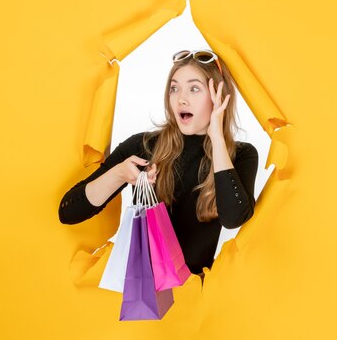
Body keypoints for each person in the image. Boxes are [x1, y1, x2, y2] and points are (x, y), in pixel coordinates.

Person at [58, 50, 259, 280]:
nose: (181, 98)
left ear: (219, 97)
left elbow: (234, 218)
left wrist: (217, 137)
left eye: (194, 88)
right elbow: (68, 211)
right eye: (174, 88)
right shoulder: (143, 146)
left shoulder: (241, 155)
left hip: (195, 300)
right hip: (141, 296)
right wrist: (120, 173)